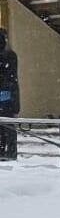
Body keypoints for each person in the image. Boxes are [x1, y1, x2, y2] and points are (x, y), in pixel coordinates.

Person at [0, 28, 16, 161]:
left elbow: (9, 77)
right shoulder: (10, 55)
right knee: (7, 126)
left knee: (6, 126)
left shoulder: (9, 56)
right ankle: (9, 152)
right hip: (7, 96)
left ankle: (6, 151)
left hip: (6, 95)